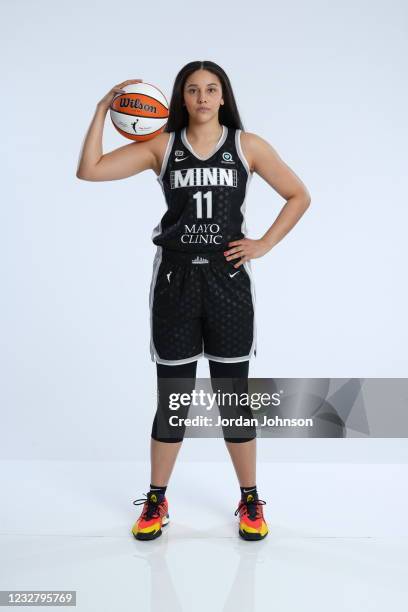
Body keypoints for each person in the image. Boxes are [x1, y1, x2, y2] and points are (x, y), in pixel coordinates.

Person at [76, 60, 311, 541]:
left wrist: (262, 244)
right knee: (174, 402)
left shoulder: (247, 147)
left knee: (233, 401)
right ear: (180, 99)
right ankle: (157, 499)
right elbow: (90, 170)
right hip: (176, 284)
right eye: (192, 89)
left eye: (211, 88)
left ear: (223, 96)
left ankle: (249, 499)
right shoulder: (161, 146)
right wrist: (103, 109)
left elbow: (298, 195)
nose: (202, 97)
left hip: (227, 284)